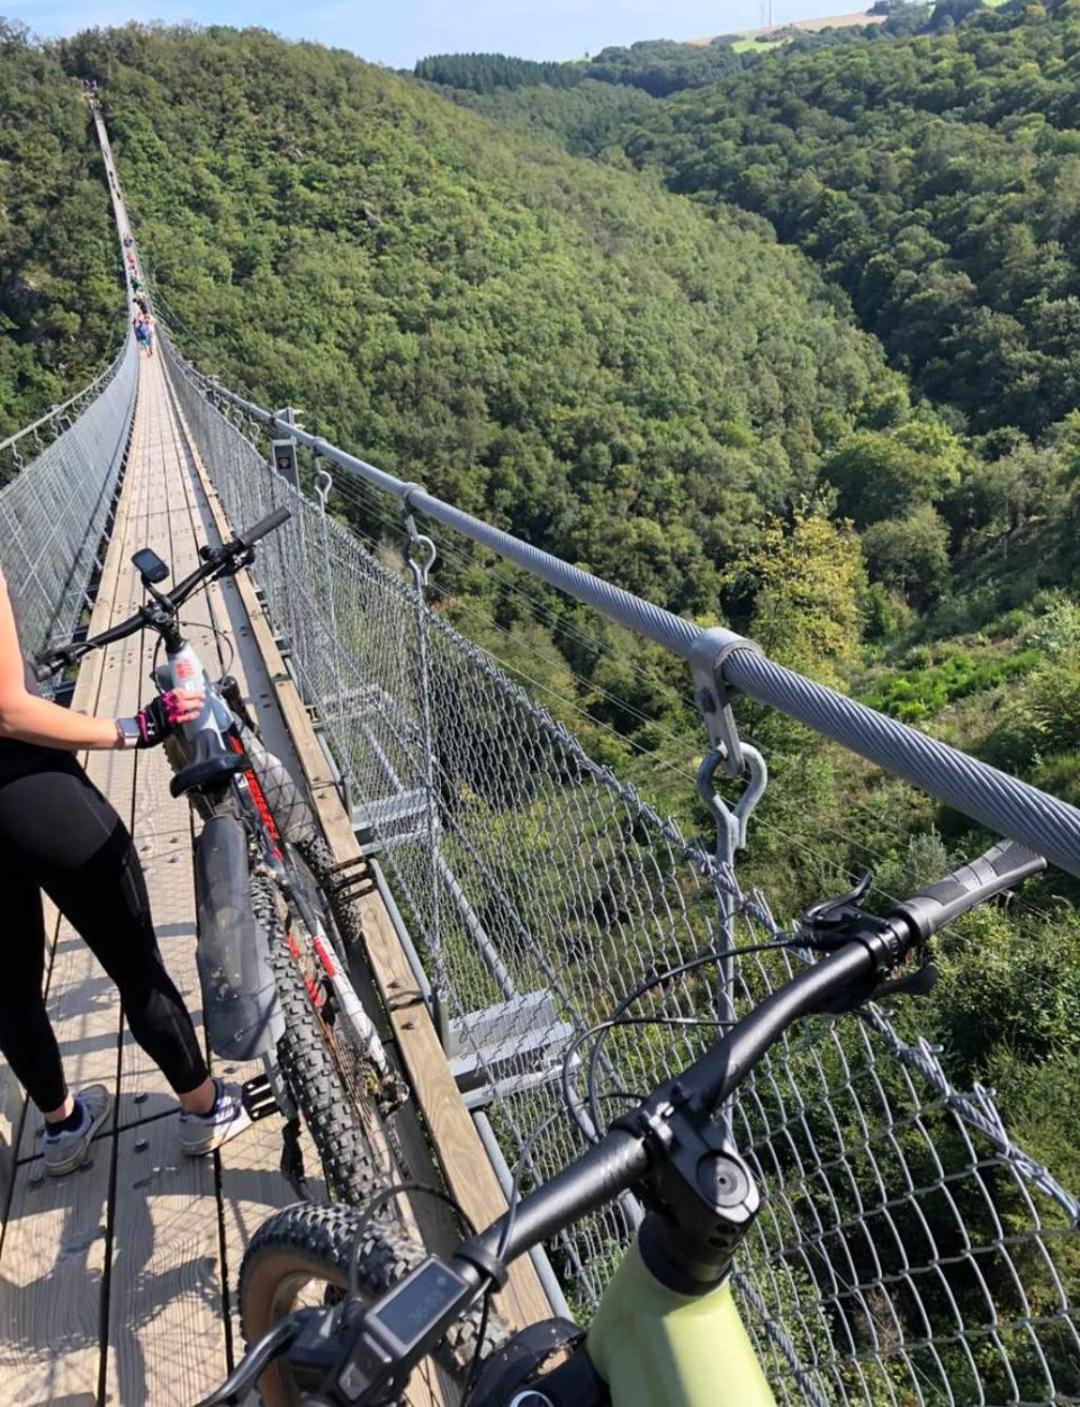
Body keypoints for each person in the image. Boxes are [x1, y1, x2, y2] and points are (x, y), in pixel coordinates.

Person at [0, 564, 252, 1176]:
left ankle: (63, 1127)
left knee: (9, 990)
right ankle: (204, 1106)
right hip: (31, 794)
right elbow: (7, 711)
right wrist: (131, 728)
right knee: (134, 961)